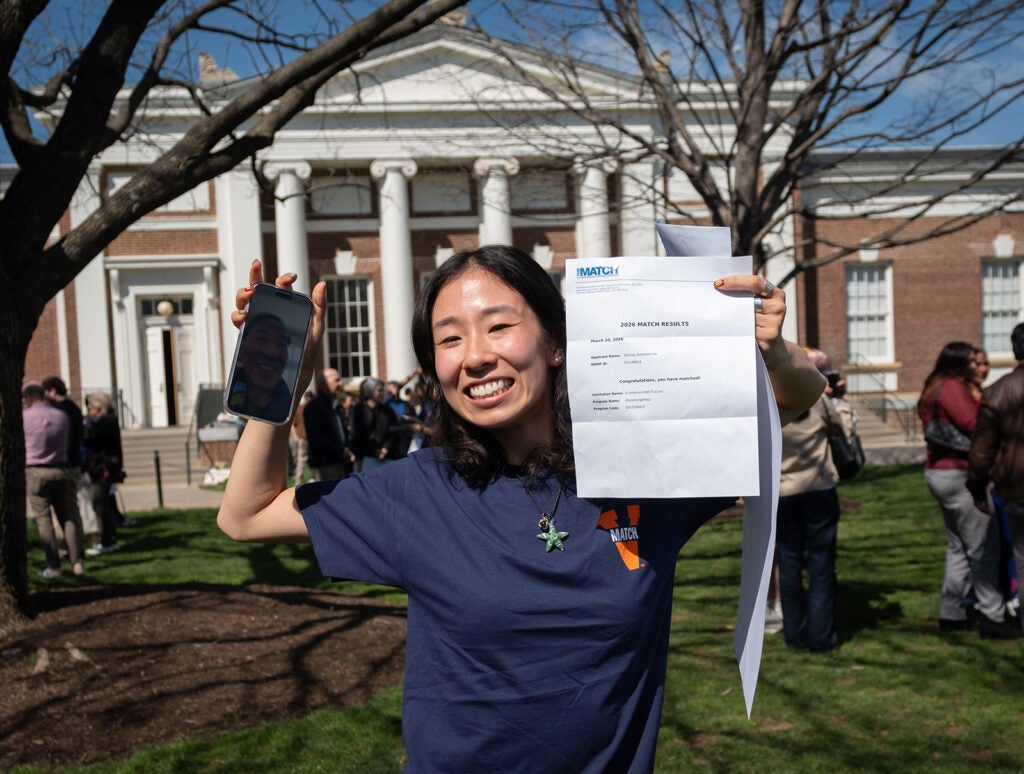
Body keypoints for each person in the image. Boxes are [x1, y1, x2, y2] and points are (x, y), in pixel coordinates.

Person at [217, 246, 824, 772]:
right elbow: (246, 515)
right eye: (449, 338)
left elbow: (791, 400)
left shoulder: (644, 466)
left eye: (498, 326)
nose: (474, 356)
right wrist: (284, 387)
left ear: (557, 343)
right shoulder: (418, 492)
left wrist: (775, 350)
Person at [917, 342, 1020, 638]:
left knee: (959, 547)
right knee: (983, 549)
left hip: (939, 474)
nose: (977, 368)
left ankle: (951, 613)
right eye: (972, 363)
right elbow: (975, 423)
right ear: (958, 363)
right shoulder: (951, 387)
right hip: (958, 473)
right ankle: (992, 616)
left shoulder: (934, 385)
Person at [775, 349, 852, 652]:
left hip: (783, 491)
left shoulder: (768, 402)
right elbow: (844, 429)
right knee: (821, 566)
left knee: (790, 564)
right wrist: (840, 399)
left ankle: (795, 636)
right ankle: (822, 637)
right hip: (818, 487)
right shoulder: (817, 399)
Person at [967, 323, 1024, 625]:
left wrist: (976, 488)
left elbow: (981, 451)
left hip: (1015, 487)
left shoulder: (998, 392)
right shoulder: (998, 393)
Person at [23, 382, 85, 577]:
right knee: (66, 517)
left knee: (43, 520)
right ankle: (77, 562)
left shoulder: (25, 417)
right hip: (60, 468)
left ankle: (54, 565)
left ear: (30, 398)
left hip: (35, 470)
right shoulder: (61, 416)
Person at [41, 376, 89, 548]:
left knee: (62, 510)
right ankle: (78, 544)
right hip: (74, 462)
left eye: (45, 392)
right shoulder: (74, 409)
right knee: (72, 507)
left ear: (52, 390)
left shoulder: (59, 412)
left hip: (63, 463)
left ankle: (67, 545)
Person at [225, 312, 293, 423]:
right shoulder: (235, 394)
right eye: (261, 339)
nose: (271, 352)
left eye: (281, 344)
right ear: (241, 348)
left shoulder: (287, 409)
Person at [83, 392, 126, 557]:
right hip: (103, 468)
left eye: (91, 407)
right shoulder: (108, 421)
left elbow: (88, 436)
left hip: (102, 470)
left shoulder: (103, 423)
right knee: (104, 504)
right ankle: (110, 539)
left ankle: (107, 540)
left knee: (100, 505)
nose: (89, 411)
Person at [303, 368, 356, 481]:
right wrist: (340, 451)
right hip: (325, 464)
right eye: (336, 380)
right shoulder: (314, 407)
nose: (340, 383)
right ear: (324, 383)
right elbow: (315, 437)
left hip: (340, 462)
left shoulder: (334, 405)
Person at [350, 377, 398, 470]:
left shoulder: (387, 410)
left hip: (385, 457)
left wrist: (386, 448)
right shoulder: (358, 409)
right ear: (370, 390)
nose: (383, 393)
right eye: (379, 390)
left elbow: (393, 431)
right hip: (364, 457)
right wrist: (373, 450)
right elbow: (356, 433)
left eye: (383, 390)